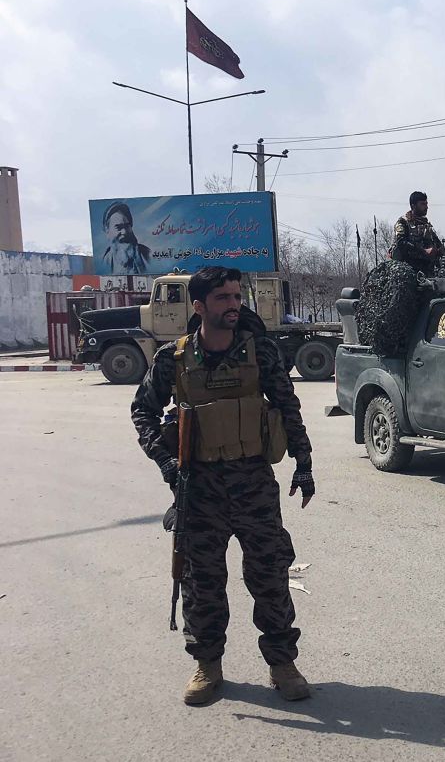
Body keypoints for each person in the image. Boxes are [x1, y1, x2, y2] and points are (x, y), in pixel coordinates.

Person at [131, 266, 316, 705]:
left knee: (270, 575)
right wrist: (167, 464)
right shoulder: (173, 359)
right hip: (199, 488)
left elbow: (288, 406)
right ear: (199, 306)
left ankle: (281, 663)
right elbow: (142, 412)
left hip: (253, 481)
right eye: (223, 298)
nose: (234, 305)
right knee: (202, 581)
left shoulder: (261, 353)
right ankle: (207, 664)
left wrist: (304, 463)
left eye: (236, 296)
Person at [391, 191, 445, 274]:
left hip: (427, 270)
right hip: (407, 270)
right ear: (413, 206)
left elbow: (439, 246)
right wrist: (423, 250)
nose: (426, 207)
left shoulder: (427, 225)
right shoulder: (403, 222)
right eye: (422, 204)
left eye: (426, 204)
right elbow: (401, 243)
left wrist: (439, 251)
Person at [100, 201, 152, 274]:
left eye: (127, 226)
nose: (124, 232)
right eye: (118, 227)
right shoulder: (104, 262)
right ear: (107, 230)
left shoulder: (146, 254)